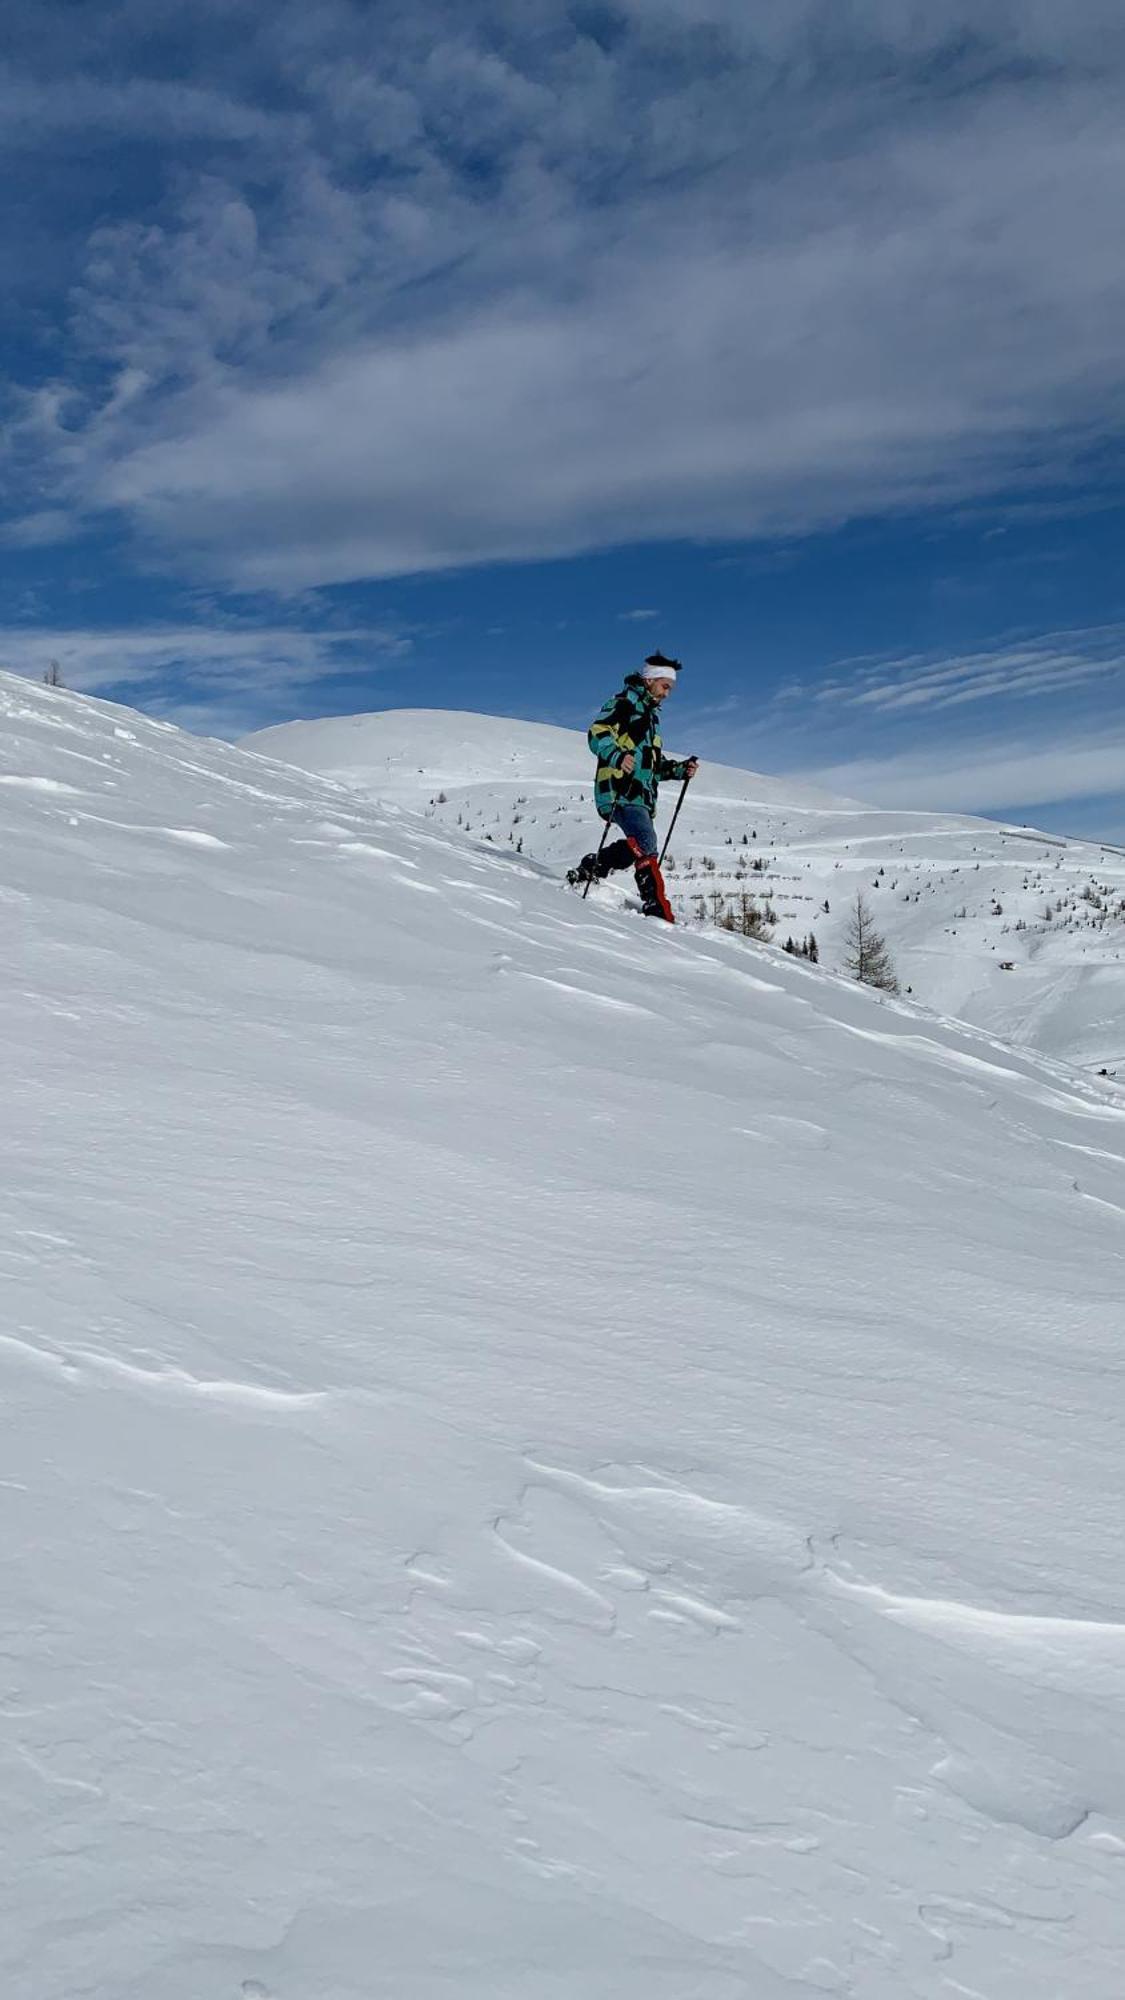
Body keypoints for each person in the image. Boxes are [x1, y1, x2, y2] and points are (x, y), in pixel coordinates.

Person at [569, 651, 699, 921]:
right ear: (650, 680)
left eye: (670, 689)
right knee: (645, 841)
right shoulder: (623, 704)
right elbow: (597, 733)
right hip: (618, 790)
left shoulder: (652, 719)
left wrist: (679, 770)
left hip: (640, 796)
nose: (667, 694)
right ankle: (656, 907)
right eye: (665, 686)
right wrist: (617, 755)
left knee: (639, 842)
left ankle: (594, 867)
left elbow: (653, 765)